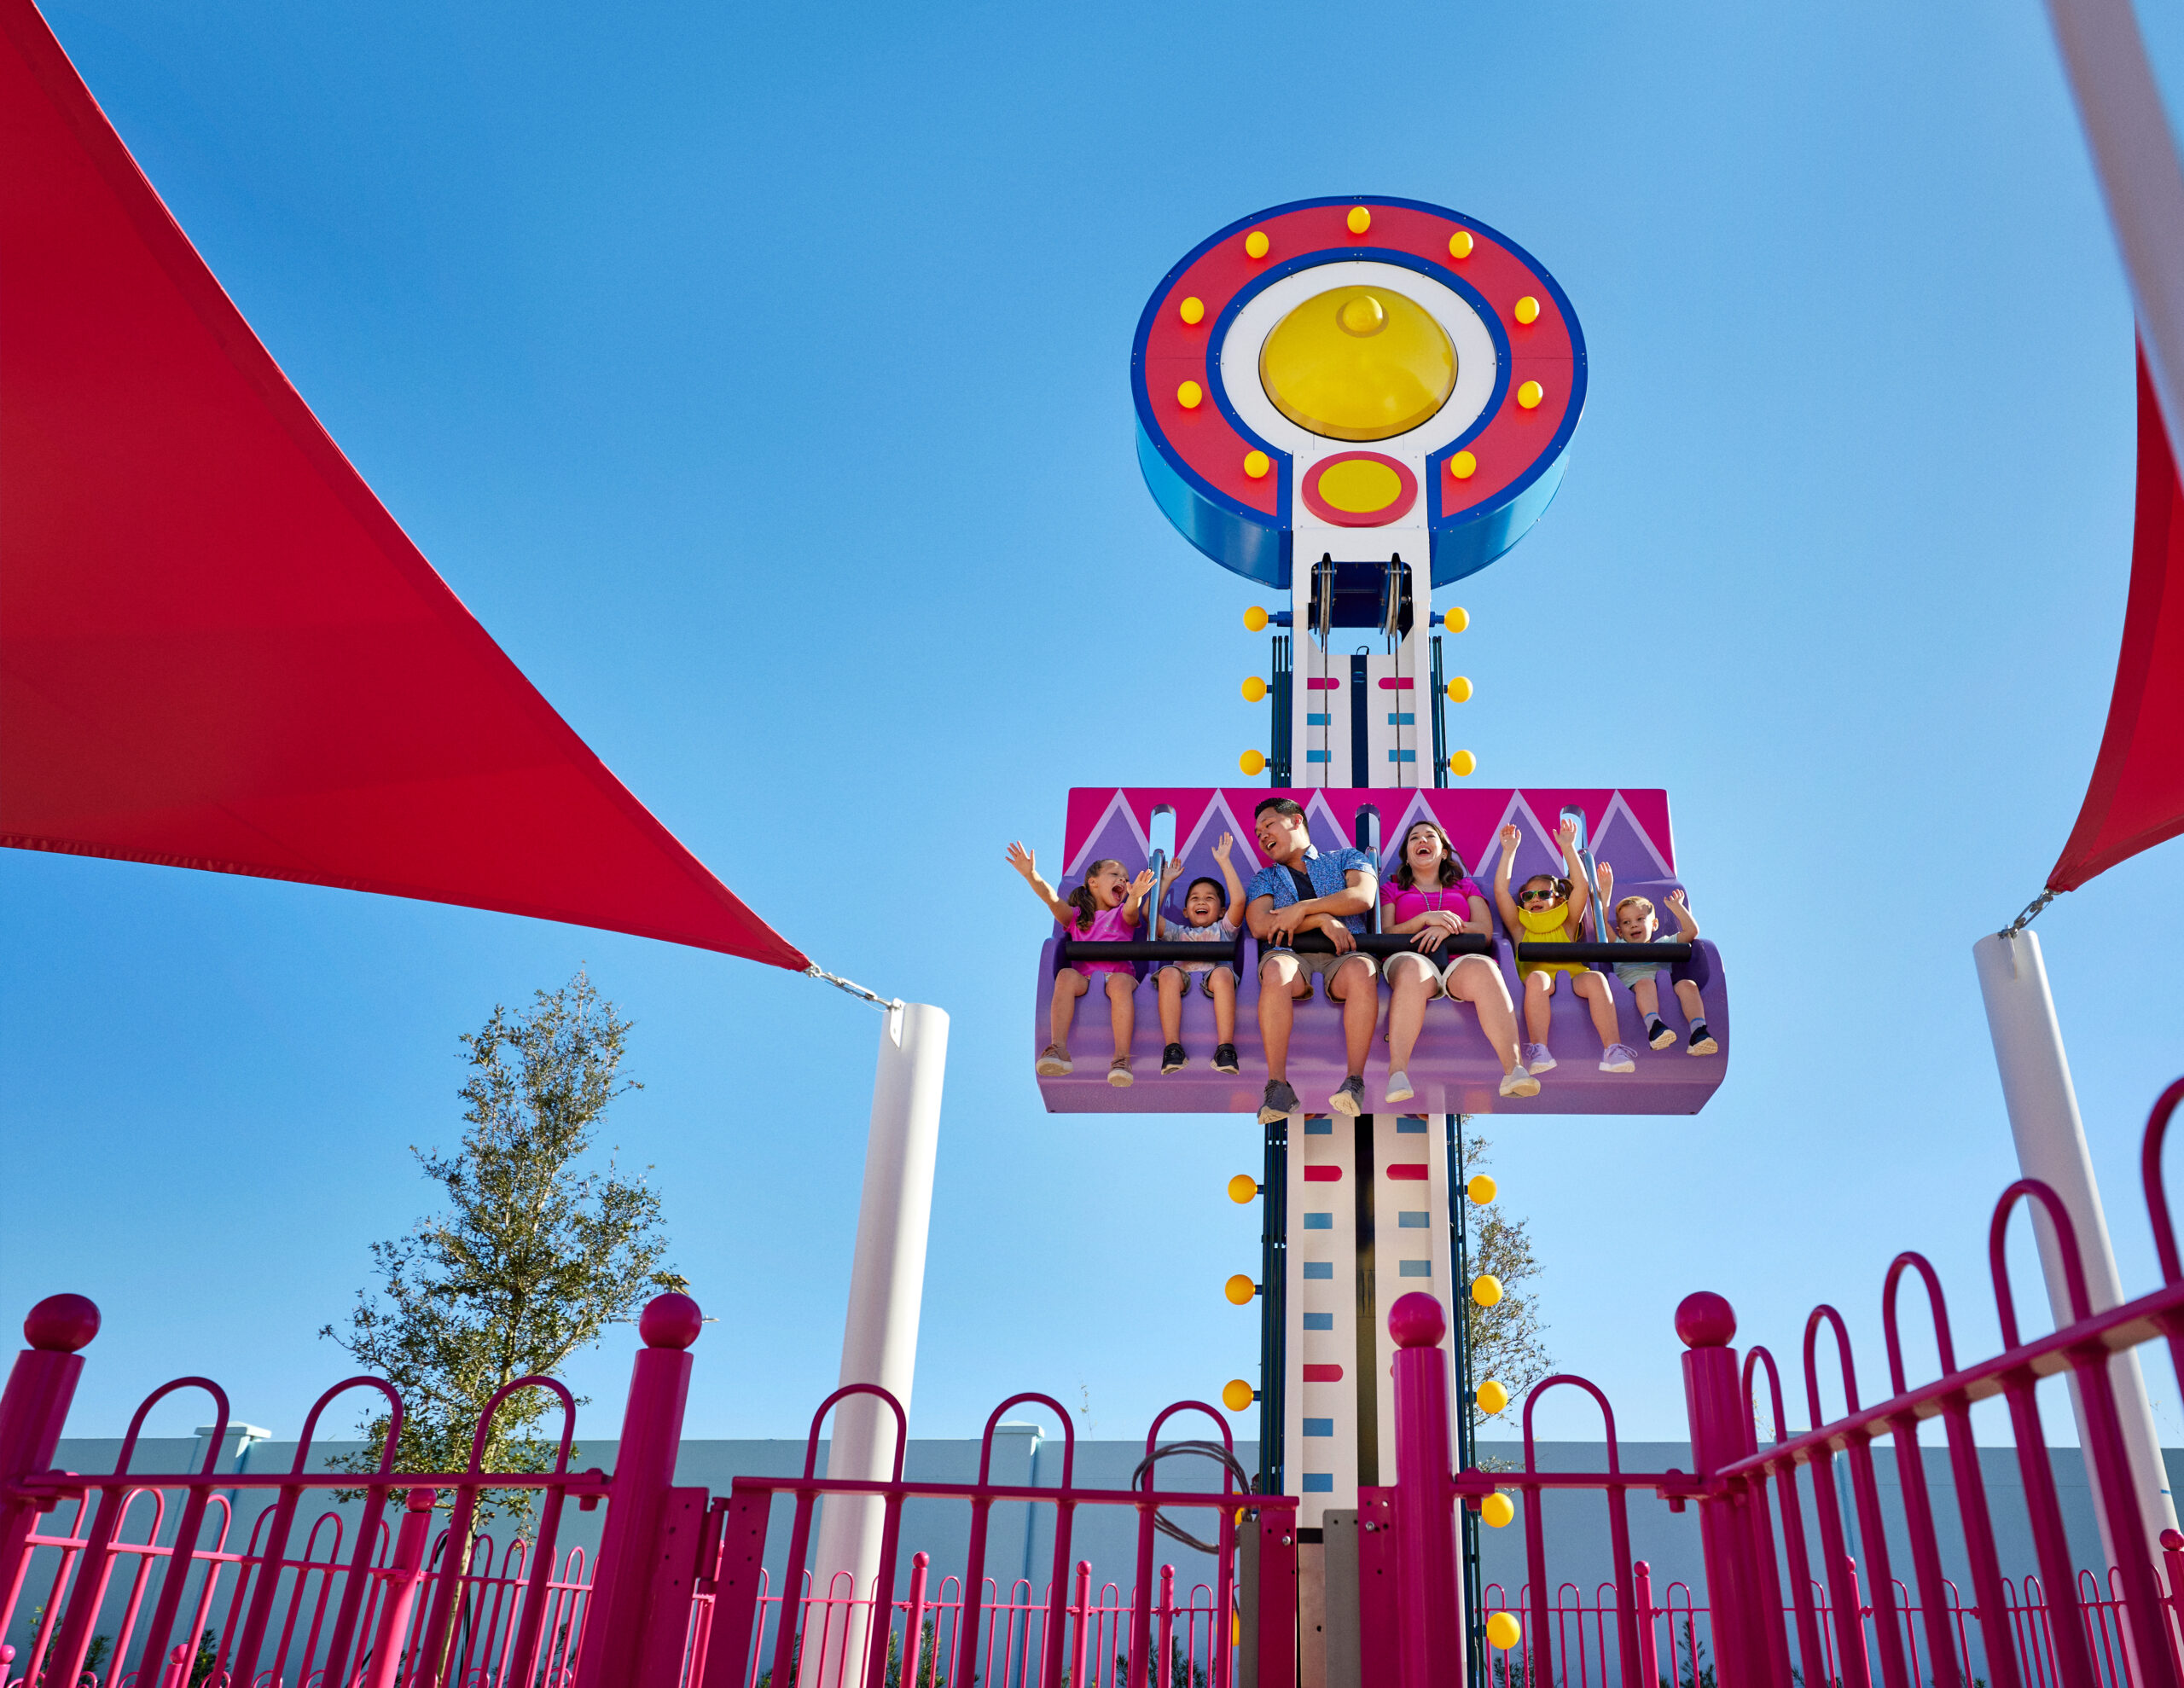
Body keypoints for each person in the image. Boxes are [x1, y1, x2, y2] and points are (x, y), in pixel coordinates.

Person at [1380, 820, 1536, 1100]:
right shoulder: (1392, 889)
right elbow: (1386, 932)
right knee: (1414, 971)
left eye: (1430, 836)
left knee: (1486, 968)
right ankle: (1398, 1072)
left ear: (1442, 852)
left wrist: (1446, 926)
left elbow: (1484, 930)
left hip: (1459, 960)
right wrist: (1424, 920)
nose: (1421, 840)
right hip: (1410, 957)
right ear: (1407, 853)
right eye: (1414, 838)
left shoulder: (1465, 887)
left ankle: (1514, 1070)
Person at [1244, 797, 1380, 1122]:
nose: (1262, 836)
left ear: (1296, 821)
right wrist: (1323, 920)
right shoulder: (1265, 878)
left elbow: (1362, 897)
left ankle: (1354, 1081)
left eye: (1268, 825)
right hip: (1291, 956)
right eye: (1257, 832)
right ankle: (1277, 1086)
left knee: (1363, 969)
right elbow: (1261, 925)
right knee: (1276, 969)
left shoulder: (1347, 857)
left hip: (1343, 955)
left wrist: (1303, 909)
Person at [1492, 819, 1638, 1075]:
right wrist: (1509, 851)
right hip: (1539, 977)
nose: (1534, 900)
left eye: (1543, 895)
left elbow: (1581, 886)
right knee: (1538, 979)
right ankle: (1539, 1049)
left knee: (1596, 980)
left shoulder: (1568, 922)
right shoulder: (1520, 927)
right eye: (1528, 897)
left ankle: (1613, 1049)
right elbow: (1501, 892)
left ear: (1558, 898)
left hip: (1572, 975)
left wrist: (1569, 848)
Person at [1008, 842, 1154, 1087]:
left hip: (1118, 975)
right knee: (1065, 976)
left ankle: (1121, 1058)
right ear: (1093, 882)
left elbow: (1131, 909)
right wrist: (1031, 875)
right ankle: (1059, 1049)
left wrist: (1136, 895)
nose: (1122, 878)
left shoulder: (1122, 915)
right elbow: (1052, 900)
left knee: (1119, 985)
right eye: (1114, 874)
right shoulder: (1077, 918)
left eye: (1125, 878)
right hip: (1084, 978)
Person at [1596, 862, 1719, 1055]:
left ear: (1653, 924)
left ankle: (1699, 1031)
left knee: (1687, 985)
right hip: (1636, 987)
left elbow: (1691, 932)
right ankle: (1654, 1026)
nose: (1633, 926)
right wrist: (1606, 891)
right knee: (1645, 983)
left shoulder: (1663, 943)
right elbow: (1601, 925)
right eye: (1626, 923)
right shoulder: (1619, 944)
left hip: (1665, 988)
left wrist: (1677, 908)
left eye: (1639, 919)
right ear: (1620, 931)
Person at [1153, 832, 1246, 1075]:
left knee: (1223, 974)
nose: (1201, 901)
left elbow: (1239, 901)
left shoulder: (1224, 930)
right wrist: (1166, 881)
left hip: (1214, 979)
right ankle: (1173, 1048)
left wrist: (1224, 861)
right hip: (1182, 979)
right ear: (1185, 911)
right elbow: (1148, 917)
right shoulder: (1178, 932)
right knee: (1168, 974)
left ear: (1220, 911)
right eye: (1195, 898)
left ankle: (1225, 1048)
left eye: (1209, 898)